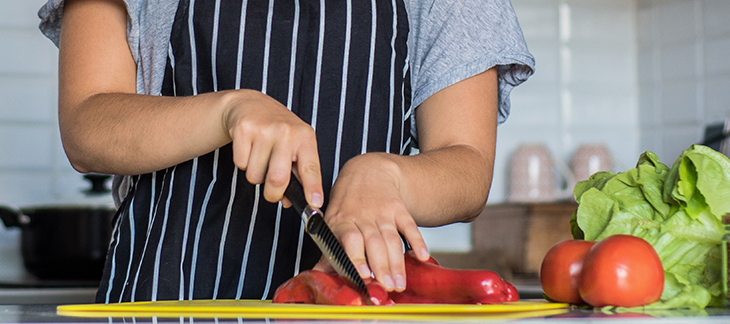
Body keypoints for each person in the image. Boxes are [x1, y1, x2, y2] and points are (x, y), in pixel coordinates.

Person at [38, 0, 534, 302]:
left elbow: (466, 165)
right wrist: (227, 111)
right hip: (163, 304)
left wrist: (388, 175)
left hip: (360, 306)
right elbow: (87, 126)